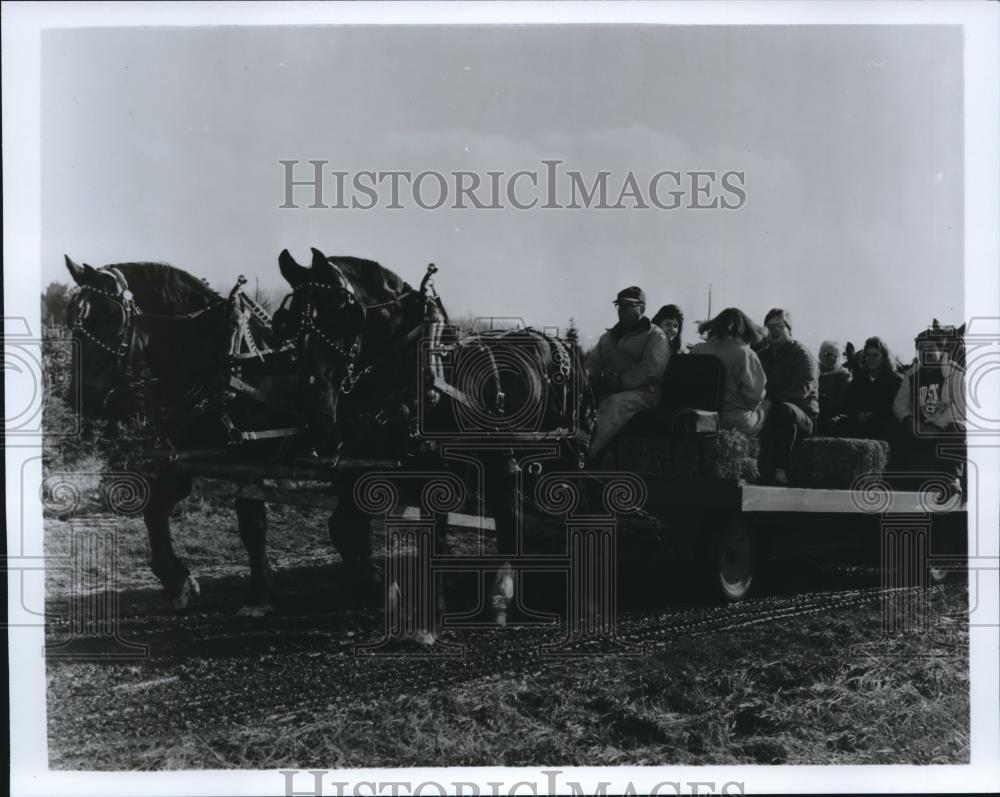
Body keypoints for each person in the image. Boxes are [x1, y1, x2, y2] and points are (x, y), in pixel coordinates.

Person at [585, 286, 670, 465]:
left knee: (613, 405)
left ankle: (588, 459)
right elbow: (592, 363)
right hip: (610, 391)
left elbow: (652, 369)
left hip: (645, 394)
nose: (623, 310)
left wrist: (622, 382)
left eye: (629, 305)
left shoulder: (655, 336)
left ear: (642, 308)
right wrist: (589, 379)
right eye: (620, 305)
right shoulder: (607, 338)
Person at [892, 323, 966, 494]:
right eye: (921, 348)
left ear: (941, 350)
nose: (926, 352)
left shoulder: (955, 372)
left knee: (957, 429)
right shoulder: (911, 374)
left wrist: (937, 426)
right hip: (920, 427)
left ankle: (951, 479)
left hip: (945, 428)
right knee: (897, 429)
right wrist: (910, 421)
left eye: (930, 348)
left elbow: (961, 405)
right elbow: (900, 404)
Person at [758, 308, 819, 484]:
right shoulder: (761, 356)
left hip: (803, 414)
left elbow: (804, 388)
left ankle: (781, 468)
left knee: (784, 410)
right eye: (770, 327)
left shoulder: (802, 353)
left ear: (789, 329)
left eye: (779, 326)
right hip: (769, 408)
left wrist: (772, 400)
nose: (774, 330)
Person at [690, 308, 768, 436]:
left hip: (701, 418)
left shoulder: (697, 349)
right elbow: (755, 397)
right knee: (768, 405)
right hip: (733, 421)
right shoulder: (745, 353)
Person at [843, 336, 902, 440]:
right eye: (868, 355)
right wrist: (857, 414)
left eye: (876, 355)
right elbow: (848, 403)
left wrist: (872, 415)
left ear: (883, 357)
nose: (871, 359)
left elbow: (896, 407)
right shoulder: (858, 380)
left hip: (884, 426)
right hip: (860, 425)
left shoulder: (895, 380)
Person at [817, 339, 852, 434]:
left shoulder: (844, 376)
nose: (831, 358)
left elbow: (842, 402)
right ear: (820, 355)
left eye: (835, 356)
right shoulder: (814, 372)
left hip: (834, 415)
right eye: (827, 354)